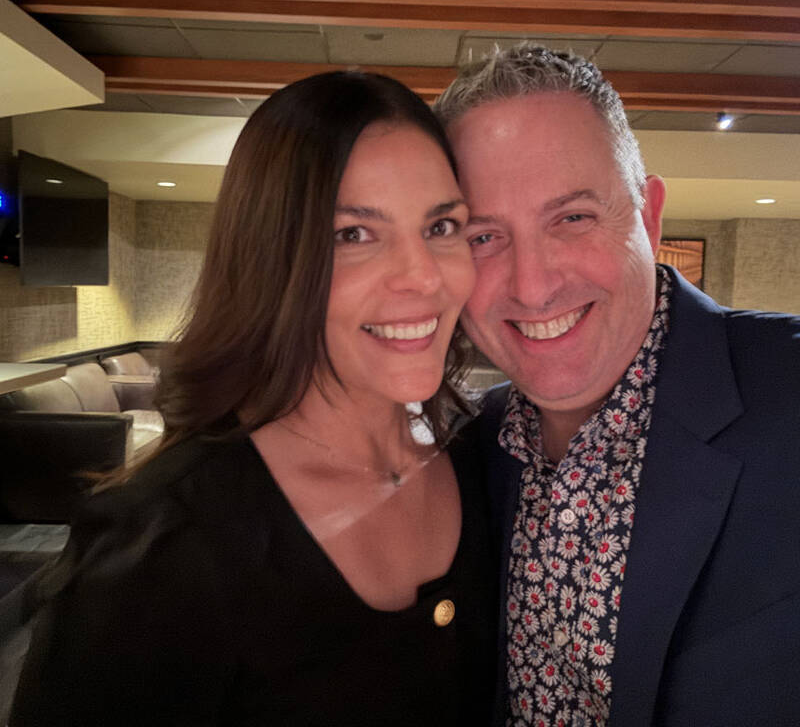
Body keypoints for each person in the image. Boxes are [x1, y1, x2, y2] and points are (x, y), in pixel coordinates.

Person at [10, 71, 496, 726]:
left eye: (443, 225)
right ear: (271, 260)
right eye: (352, 234)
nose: (424, 275)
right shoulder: (164, 547)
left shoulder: (485, 460)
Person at [434, 43, 800, 726]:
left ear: (648, 216)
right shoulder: (463, 451)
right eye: (484, 237)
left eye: (572, 218)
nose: (533, 285)